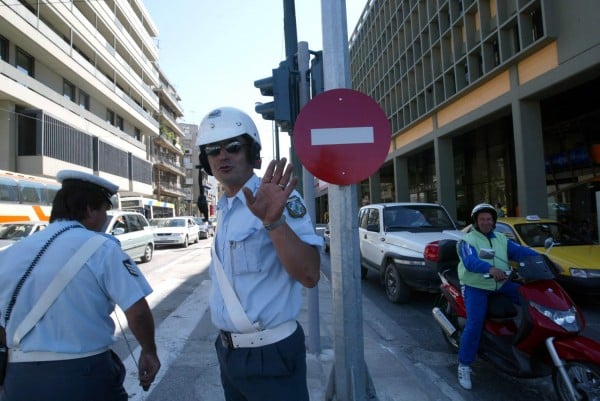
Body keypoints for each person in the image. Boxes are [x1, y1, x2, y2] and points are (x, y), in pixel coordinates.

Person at [196, 107, 322, 401]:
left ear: (251, 152)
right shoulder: (225, 210)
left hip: (272, 355)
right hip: (228, 353)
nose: (223, 156)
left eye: (234, 147)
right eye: (213, 150)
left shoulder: (277, 197)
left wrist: (273, 222)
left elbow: (310, 274)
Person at [0, 170, 160, 401]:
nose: (106, 217)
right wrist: (149, 351)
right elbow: (137, 311)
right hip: (84, 374)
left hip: (19, 377)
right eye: (105, 210)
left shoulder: (10, 254)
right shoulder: (103, 249)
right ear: (89, 209)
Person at [456, 203, 538, 390]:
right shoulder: (467, 241)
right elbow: (470, 261)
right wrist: (489, 268)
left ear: (494, 221)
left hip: (501, 284)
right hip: (476, 286)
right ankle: (464, 364)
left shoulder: (501, 238)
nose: (486, 222)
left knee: (533, 302)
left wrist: (542, 259)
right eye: (482, 219)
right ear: (476, 222)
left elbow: (520, 252)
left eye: (489, 219)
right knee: (474, 324)